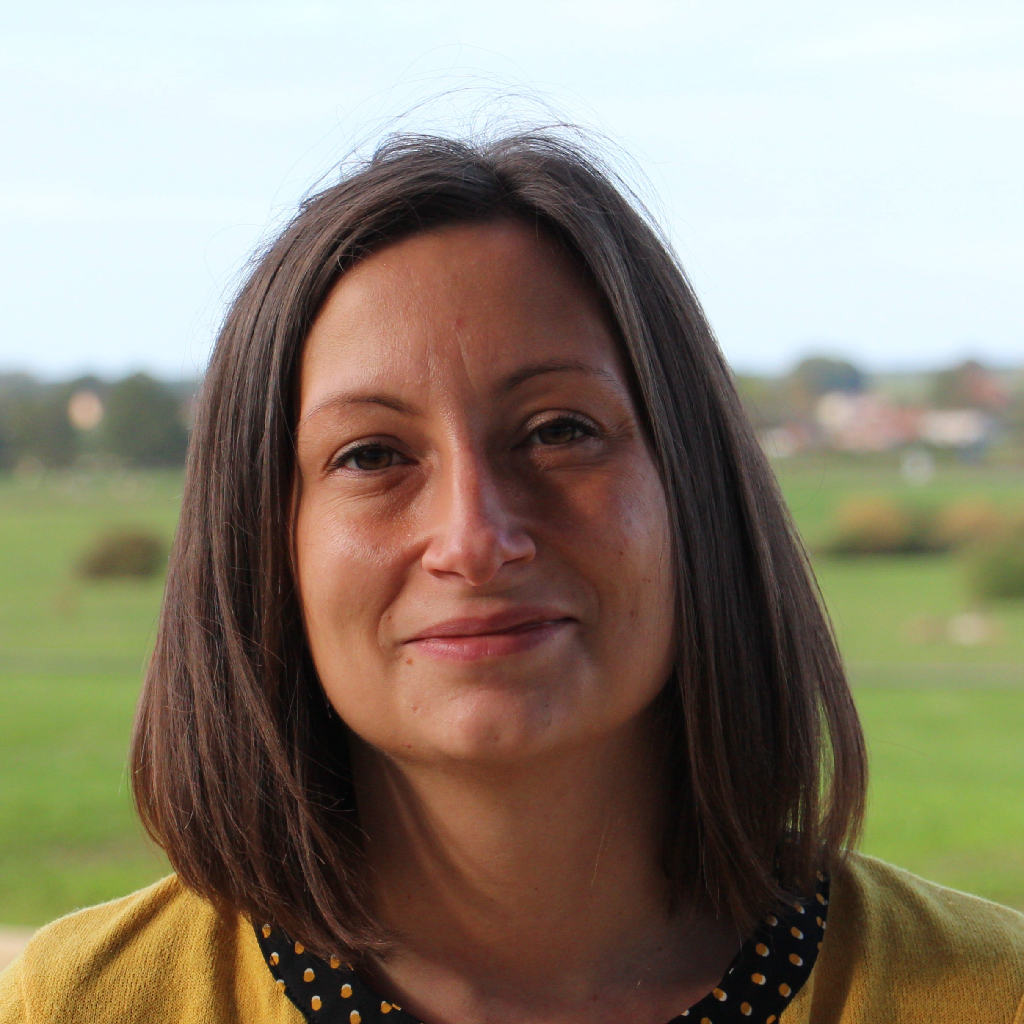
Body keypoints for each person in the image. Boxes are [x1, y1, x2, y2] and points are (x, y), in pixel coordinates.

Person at [2, 133, 1022, 1024]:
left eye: (558, 431)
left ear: (696, 491)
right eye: (370, 455)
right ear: (264, 546)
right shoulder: (79, 1005)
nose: (475, 538)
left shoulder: (991, 995)